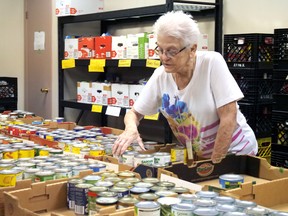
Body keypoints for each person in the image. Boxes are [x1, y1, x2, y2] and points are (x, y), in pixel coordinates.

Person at [112, 10, 258, 163]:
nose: (163, 57)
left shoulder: (211, 63)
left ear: (192, 49)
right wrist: (130, 129)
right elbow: (134, 113)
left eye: (171, 51)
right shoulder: (161, 76)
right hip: (200, 157)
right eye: (160, 49)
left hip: (236, 152)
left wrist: (215, 163)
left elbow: (229, 116)